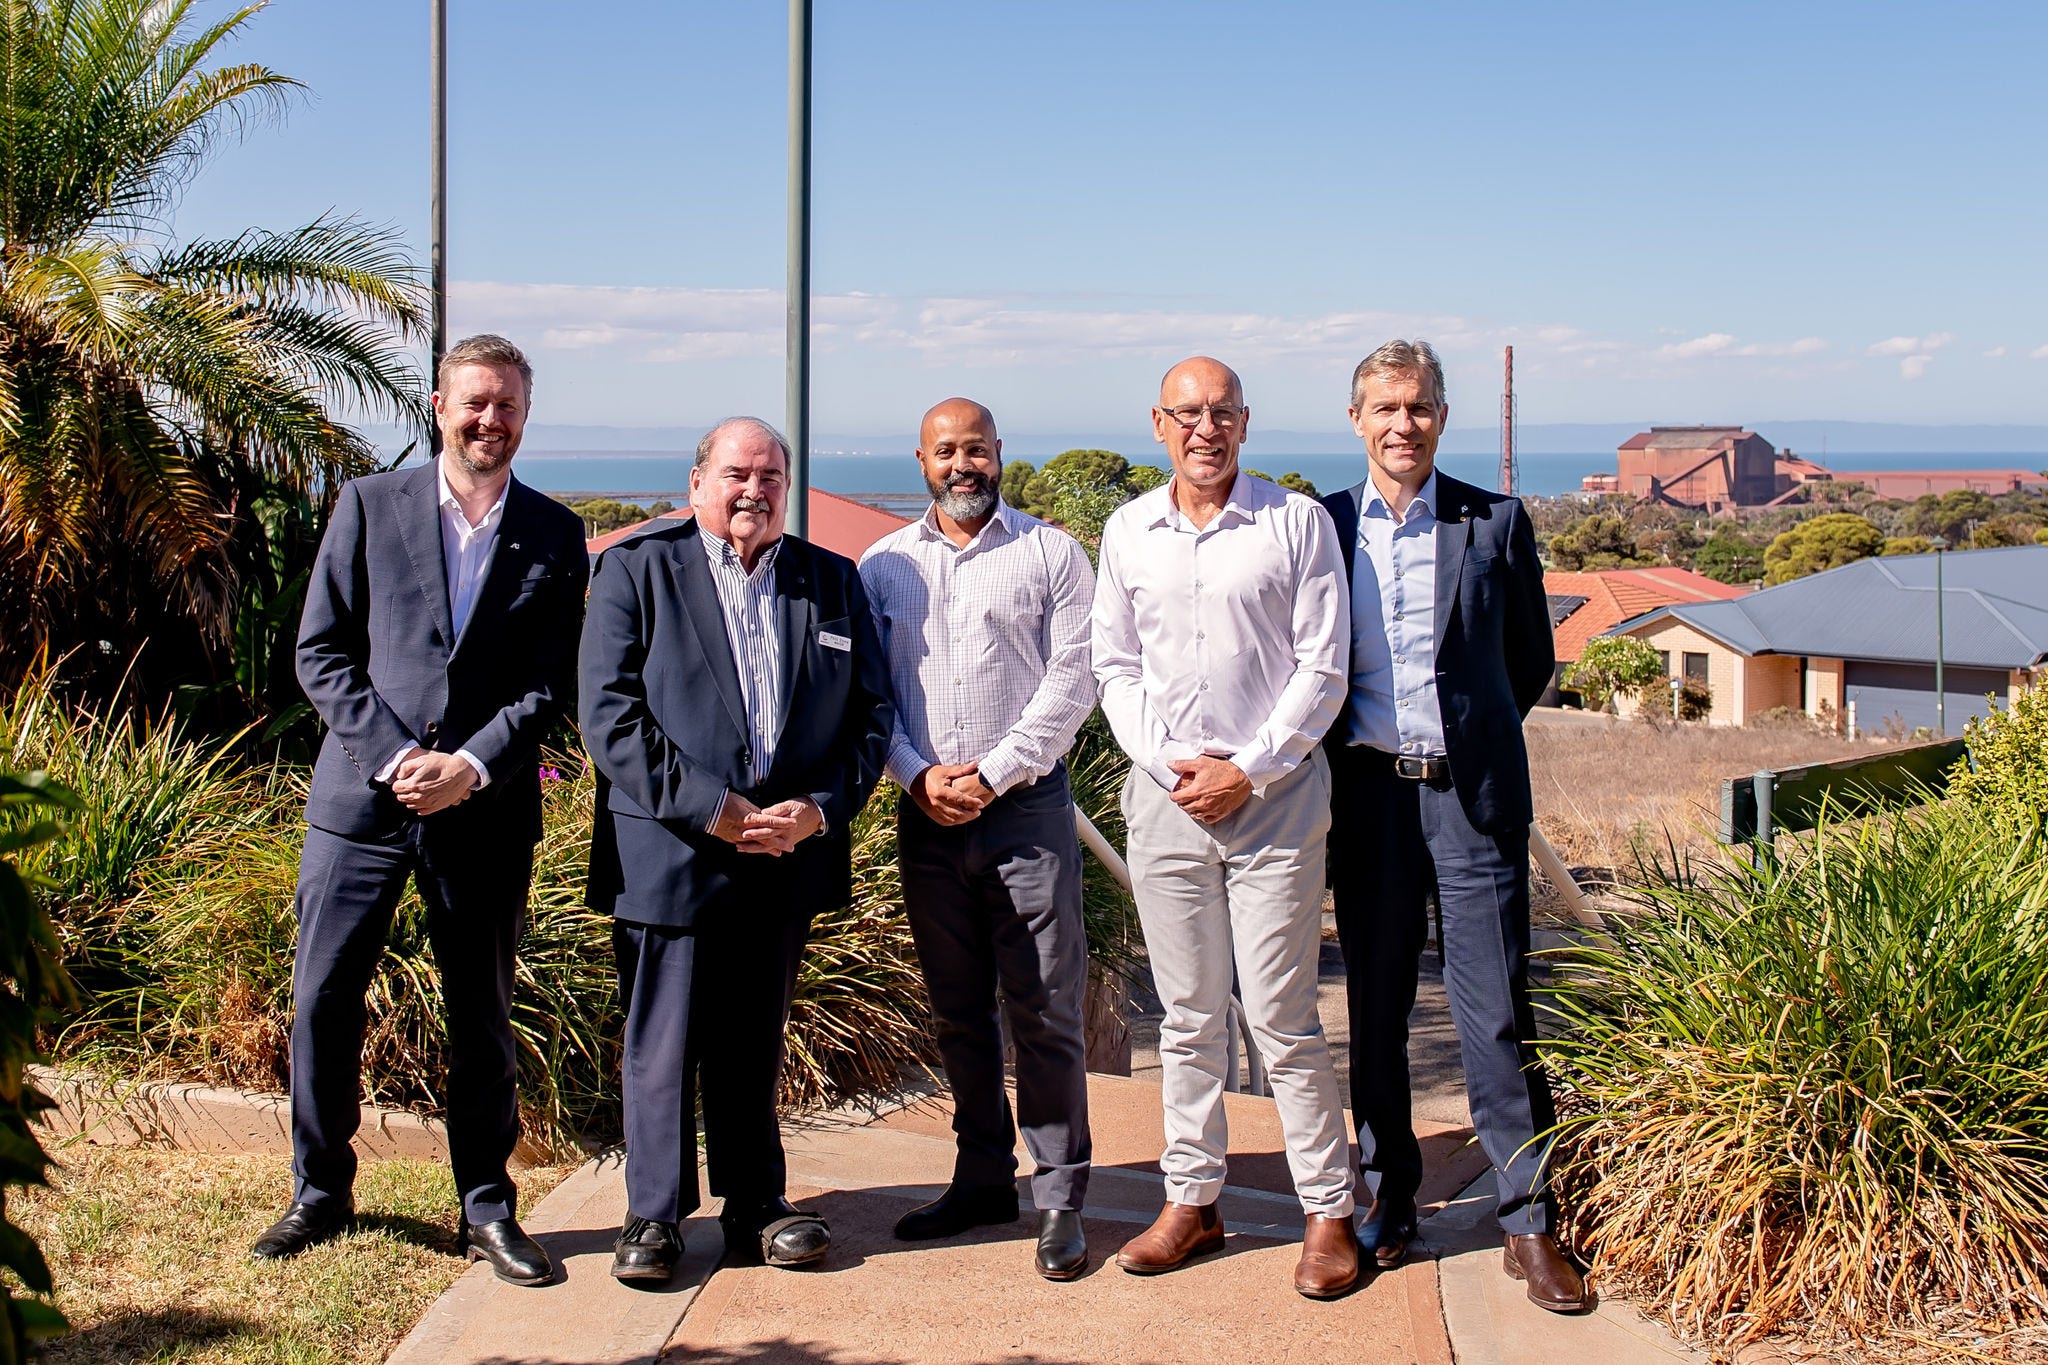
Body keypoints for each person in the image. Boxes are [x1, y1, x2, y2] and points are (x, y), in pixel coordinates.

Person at [254, 335, 588, 1286]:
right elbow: (322, 653)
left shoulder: (555, 532)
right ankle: (320, 1191)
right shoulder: (370, 503)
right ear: (438, 404)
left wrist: (471, 766)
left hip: (482, 813)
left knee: (480, 1013)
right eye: (475, 402)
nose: (491, 420)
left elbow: (547, 685)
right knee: (323, 1000)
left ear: (526, 416)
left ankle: (486, 1204)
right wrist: (402, 757)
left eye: (509, 406)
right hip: (361, 805)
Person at [580, 416, 891, 1283]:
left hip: (781, 855)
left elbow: (870, 717)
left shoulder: (829, 581)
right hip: (671, 851)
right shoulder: (637, 569)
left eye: (769, 476)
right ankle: (654, 1216)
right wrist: (709, 807)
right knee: (662, 1041)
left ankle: (757, 1205)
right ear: (696, 483)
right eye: (735, 473)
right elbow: (609, 715)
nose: (752, 489)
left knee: (755, 1036)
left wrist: (819, 811)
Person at [1320, 339, 1588, 1313]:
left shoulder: (1495, 521)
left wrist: (1464, 744)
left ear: (1439, 417)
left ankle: (1525, 1224)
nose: (1402, 424)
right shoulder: (1323, 527)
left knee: (1496, 1016)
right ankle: (1389, 1203)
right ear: (1357, 419)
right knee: (1378, 1015)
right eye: (1385, 408)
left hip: (1471, 803)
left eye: (1418, 408)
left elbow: (1526, 664)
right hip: (1368, 801)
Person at [1091, 357, 1360, 1299]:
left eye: (1223, 412)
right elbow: (1114, 666)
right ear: (1158, 423)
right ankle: (1193, 1201)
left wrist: (1249, 768)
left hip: (1275, 799)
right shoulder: (1128, 531)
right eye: (1188, 413)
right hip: (1166, 803)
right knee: (1191, 1015)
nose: (1206, 428)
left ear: (1245, 423)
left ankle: (1329, 1210)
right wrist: (1173, 766)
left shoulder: (1295, 522)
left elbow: (1325, 667)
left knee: (1284, 1015)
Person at [858, 398, 1098, 1281]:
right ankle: (981, 1176)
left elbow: (1075, 679)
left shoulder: (1051, 553)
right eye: (947, 450)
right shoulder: (883, 565)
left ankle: (1061, 1197)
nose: (964, 464)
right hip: (925, 816)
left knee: (1043, 1007)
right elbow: (869, 694)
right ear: (921, 458)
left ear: (1001, 454)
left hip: (1025, 813)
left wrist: (992, 774)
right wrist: (917, 774)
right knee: (956, 1009)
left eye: (979, 449)